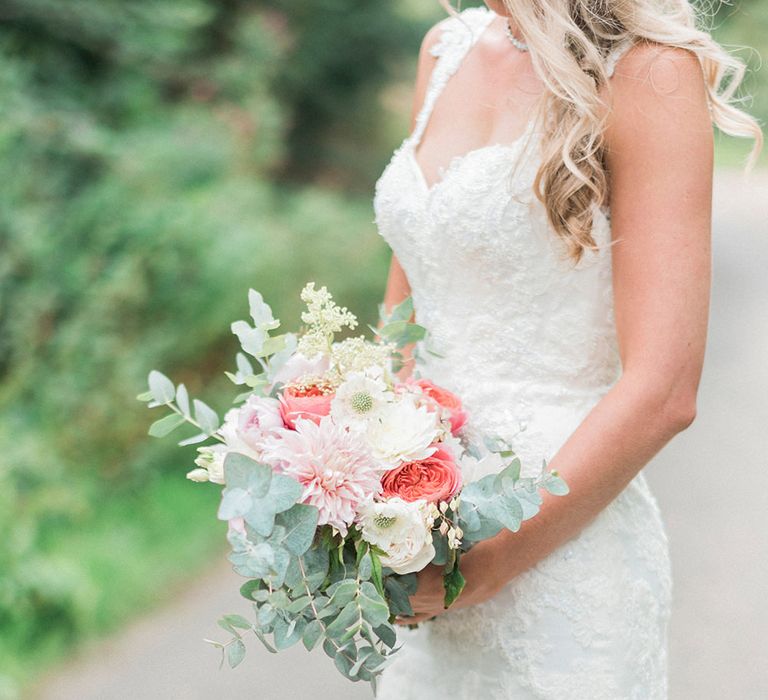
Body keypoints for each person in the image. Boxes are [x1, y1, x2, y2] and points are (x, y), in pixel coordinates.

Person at [372, 1, 762, 697]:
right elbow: (408, 305)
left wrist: (484, 563)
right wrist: (361, 475)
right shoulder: (445, 49)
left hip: (562, 552)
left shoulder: (649, 73)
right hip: (423, 527)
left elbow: (665, 389)